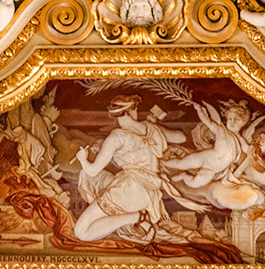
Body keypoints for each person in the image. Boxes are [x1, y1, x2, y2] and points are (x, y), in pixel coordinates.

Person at [74, 96, 189, 241]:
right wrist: (157, 127)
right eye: (136, 109)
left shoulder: (117, 137)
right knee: (104, 186)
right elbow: (181, 138)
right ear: (131, 111)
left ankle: (137, 217)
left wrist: (82, 159)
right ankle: (139, 217)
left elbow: (92, 171)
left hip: (127, 192)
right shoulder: (151, 128)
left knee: (81, 232)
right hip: (147, 195)